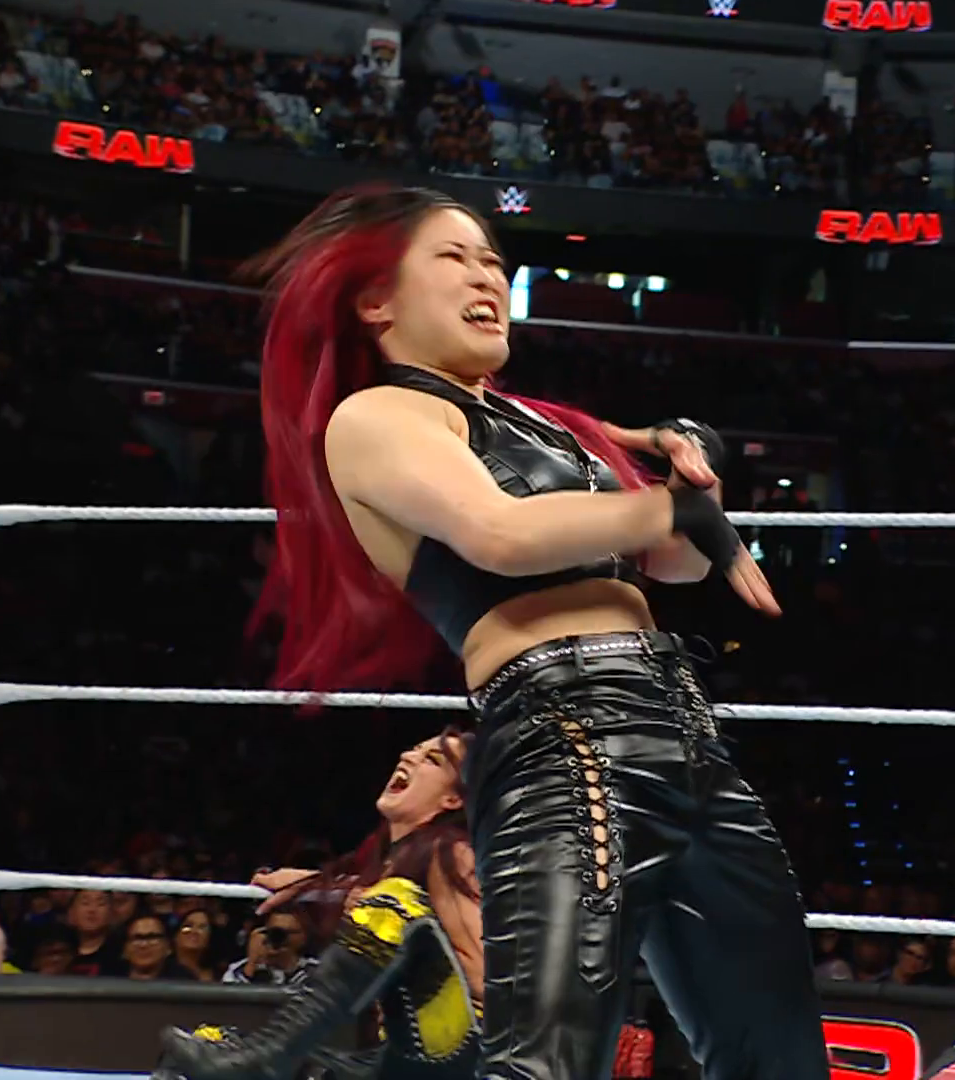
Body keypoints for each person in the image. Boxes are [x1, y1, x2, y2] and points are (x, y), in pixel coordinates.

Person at [213, 181, 824, 1080]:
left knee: (777, 1057)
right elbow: (499, 534)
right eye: (453, 258)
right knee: (546, 1065)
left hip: (682, 727)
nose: (486, 276)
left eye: (493, 260)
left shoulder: (543, 423)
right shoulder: (379, 416)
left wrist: (696, 480)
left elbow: (675, 568)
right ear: (377, 302)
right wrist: (670, 509)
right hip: (566, 734)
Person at [160, 732, 483, 1080]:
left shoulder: (452, 851)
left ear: (453, 798)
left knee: (395, 902)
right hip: (396, 1055)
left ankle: (270, 1058)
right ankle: (267, 1057)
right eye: (415, 749)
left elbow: (489, 979)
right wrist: (314, 883)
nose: (409, 756)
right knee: (204, 1047)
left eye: (432, 760)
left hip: (470, 1052)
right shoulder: (391, 858)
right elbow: (364, 892)